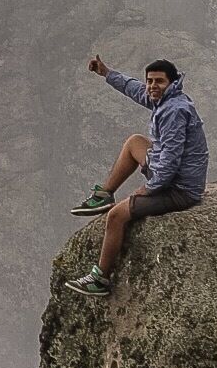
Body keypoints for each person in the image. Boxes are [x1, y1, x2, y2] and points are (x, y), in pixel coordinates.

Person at [65, 54, 209, 297]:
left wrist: (149, 188)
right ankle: (104, 194)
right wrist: (106, 72)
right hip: (175, 177)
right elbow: (135, 89)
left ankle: (100, 279)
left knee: (116, 216)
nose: (152, 86)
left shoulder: (175, 111)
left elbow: (171, 160)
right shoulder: (166, 99)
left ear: (171, 82)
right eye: (150, 81)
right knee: (135, 142)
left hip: (179, 190)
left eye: (159, 81)